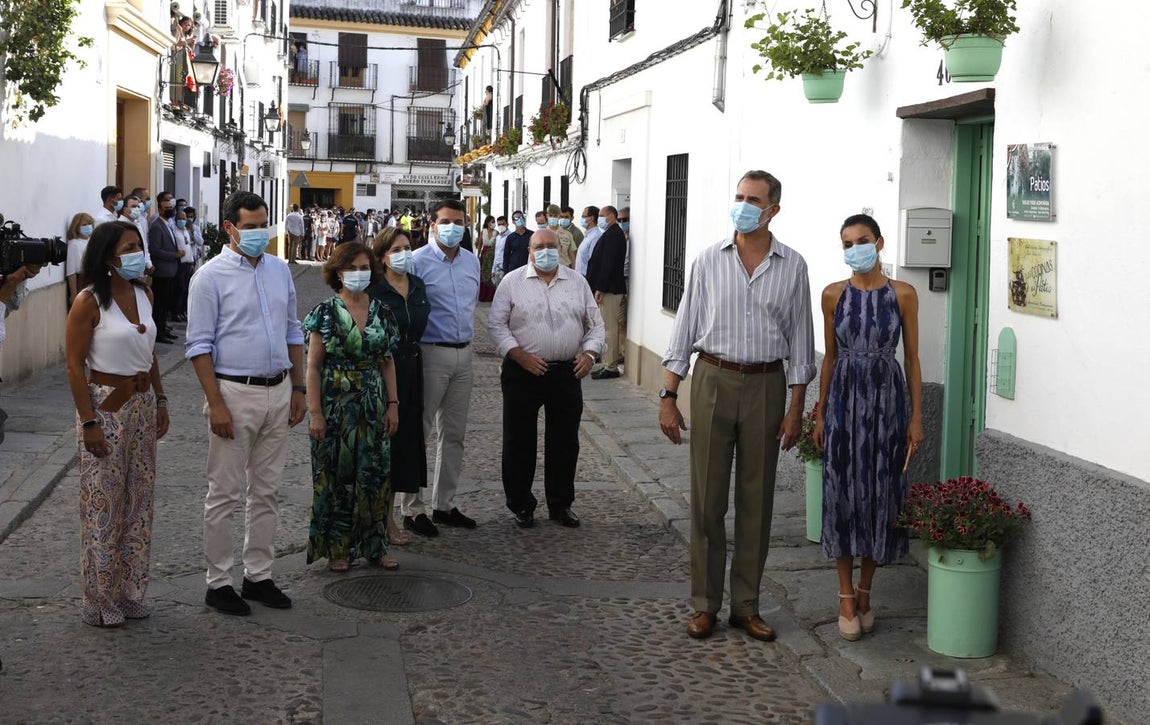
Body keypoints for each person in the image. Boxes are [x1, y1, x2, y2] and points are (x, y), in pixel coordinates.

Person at [659, 170, 816, 643]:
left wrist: (795, 409)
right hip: (712, 379)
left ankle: (746, 606)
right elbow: (684, 330)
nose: (743, 205)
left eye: (753, 199)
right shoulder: (708, 260)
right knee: (707, 500)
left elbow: (801, 343)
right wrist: (669, 395)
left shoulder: (794, 266)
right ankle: (705, 605)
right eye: (739, 196)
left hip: (767, 385)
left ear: (773, 210)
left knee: (756, 502)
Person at [186, 191, 306, 615]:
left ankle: (259, 576)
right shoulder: (209, 277)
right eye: (250, 226)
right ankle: (218, 582)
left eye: (263, 224)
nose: (259, 233)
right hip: (234, 393)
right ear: (230, 228)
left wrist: (299, 388)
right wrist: (215, 404)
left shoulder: (278, 270)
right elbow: (199, 346)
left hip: (278, 390)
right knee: (224, 493)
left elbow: (293, 329)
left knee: (268, 491)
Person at [813, 214, 924, 641]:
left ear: (879, 243)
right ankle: (844, 594)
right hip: (843, 400)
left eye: (861, 240)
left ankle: (865, 591)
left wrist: (916, 417)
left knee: (881, 493)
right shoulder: (831, 295)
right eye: (846, 243)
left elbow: (912, 359)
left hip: (887, 402)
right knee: (841, 492)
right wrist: (821, 412)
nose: (854, 249)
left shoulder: (904, 295)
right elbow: (830, 357)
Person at [64, 221, 169, 627]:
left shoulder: (145, 293)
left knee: (138, 503)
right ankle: (99, 599)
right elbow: (74, 367)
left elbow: (151, 352)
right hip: (106, 407)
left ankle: (129, 592)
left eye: (139, 246)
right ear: (109, 256)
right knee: (103, 504)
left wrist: (160, 397)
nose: (137, 253)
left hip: (142, 404)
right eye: (129, 247)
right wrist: (89, 422)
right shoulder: (88, 301)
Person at [488, 228, 604, 529]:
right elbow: (497, 325)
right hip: (522, 371)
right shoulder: (512, 282)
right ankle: (521, 504)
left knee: (565, 442)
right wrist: (518, 355)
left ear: (561, 248)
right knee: (519, 439)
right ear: (529, 250)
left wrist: (590, 355)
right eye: (539, 246)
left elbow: (596, 325)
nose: (546, 251)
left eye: (551, 246)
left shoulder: (577, 282)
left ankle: (561, 504)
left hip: (566, 372)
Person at [305, 242, 400, 571]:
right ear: (337, 272)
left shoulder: (382, 311)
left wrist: (393, 404)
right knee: (337, 476)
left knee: (375, 474)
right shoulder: (325, 312)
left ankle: (376, 544)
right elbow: (313, 367)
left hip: (373, 404)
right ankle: (339, 548)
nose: (359, 274)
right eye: (352, 268)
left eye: (365, 268)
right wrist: (314, 412)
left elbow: (387, 362)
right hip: (335, 406)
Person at [400, 199, 480, 537]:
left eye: (458, 221)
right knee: (420, 431)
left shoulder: (472, 263)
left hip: (465, 354)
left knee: (455, 435)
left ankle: (444, 504)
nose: (452, 227)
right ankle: (411, 508)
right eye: (446, 221)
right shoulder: (417, 263)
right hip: (430, 353)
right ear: (432, 225)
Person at [368, 228, 431, 545]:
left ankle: (389, 517)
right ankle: (378, 521)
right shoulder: (373, 289)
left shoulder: (417, 285)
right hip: (381, 371)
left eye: (407, 248)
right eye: (396, 249)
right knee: (381, 444)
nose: (404, 254)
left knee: (403, 444)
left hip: (412, 368)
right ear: (381, 256)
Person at [586, 206, 627, 380]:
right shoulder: (611, 233)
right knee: (608, 328)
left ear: (611, 216)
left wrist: (600, 288)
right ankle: (607, 362)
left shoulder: (614, 235)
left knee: (609, 329)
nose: (599, 219)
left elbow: (608, 264)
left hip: (610, 289)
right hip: (608, 288)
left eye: (601, 216)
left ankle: (611, 367)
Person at [147, 192, 180, 344]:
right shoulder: (156, 226)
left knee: (165, 303)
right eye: (167, 208)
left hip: (170, 271)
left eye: (171, 207)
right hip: (162, 272)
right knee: (159, 305)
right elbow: (155, 250)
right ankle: (158, 332)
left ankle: (163, 328)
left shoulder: (168, 224)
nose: (170, 210)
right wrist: (174, 255)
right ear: (160, 209)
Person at [65, 213, 95, 305]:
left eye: (90, 224)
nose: (88, 227)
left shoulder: (90, 242)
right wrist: (74, 295)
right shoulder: (74, 244)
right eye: (84, 225)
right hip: (83, 282)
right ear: (77, 227)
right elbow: (71, 272)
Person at [547, 204, 577, 269]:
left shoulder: (567, 234)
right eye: (551, 215)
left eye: (555, 216)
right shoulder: (542, 234)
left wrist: (574, 271)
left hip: (564, 268)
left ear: (559, 216)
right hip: (548, 269)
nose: (553, 218)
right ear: (547, 216)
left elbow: (572, 255)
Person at [574, 205, 601, 277]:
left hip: (587, 277)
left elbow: (594, 260)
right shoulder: (588, 235)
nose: (581, 219)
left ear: (591, 218)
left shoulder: (596, 236)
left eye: (583, 216)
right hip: (580, 276)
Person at [478, 215, 497, 302]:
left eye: (494, 222)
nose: (493, 223)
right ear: (487, 222)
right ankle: (483, 295)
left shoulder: (496, 232)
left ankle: (491, 296)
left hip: (493, 254)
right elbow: (480, 244)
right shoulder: (483, 231)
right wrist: (478, 255)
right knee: (484, 274)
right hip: (484, 254)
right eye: (492, 222)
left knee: (491, 274)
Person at [491, 215, 510, 285]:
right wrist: (493, 270)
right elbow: (496, 254)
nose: (501, 226)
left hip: (505, 270)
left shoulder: (510, 237)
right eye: (499, 224)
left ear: (507, 224)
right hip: (497, 270)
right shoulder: (498, 237)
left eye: (503, 224)